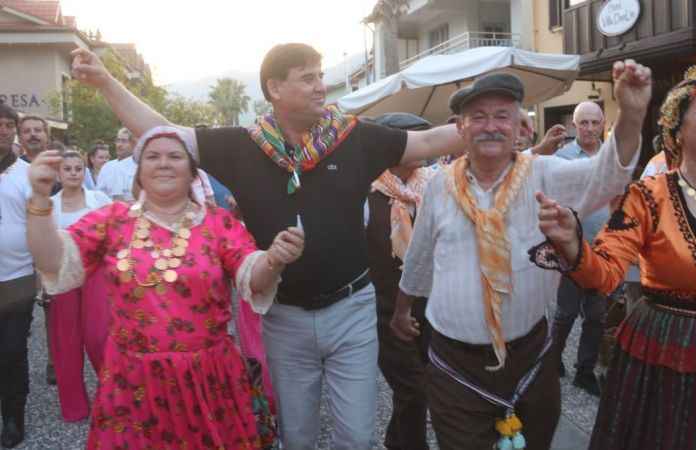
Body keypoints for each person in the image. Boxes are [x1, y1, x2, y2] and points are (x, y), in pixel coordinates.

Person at [70, 42, 465, 450]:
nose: (320, 86)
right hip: (285, 317)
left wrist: (488, 125)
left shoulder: (354, 137)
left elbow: (429, 142)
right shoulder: (243, 146)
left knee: (357, 436)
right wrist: (105, 80)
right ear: (275, 88)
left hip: (353, 311)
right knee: (296, 437)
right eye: (308, 77)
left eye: (320, 75)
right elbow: (161, 130)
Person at [535, 62, 696, 450]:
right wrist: (573, 244)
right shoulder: (647, 196)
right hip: (667, 355)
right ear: (677, 127)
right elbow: (604, 273)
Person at [392, 62, 651, 450]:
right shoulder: (438, 187)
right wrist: (400, 310)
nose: (490, 125)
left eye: (502, 116)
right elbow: (419, 257)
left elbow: (609, 175)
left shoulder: (546, 174)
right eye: (477, 117)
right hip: (455, 363)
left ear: (520, 128)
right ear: (460, 128)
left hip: (530, 355)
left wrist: (630, 115)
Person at [26, 126, 304, 449]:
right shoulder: (113, 219)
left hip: (207, 378)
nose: (163, 163)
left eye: (175, 156)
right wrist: (39, 199)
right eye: (152, 157)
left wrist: (273, 260)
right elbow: (52, 261)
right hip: (131, 380)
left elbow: (251, 276)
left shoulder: (218, 222)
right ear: (139, 172)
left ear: (192, 173)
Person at [366, 112, 436, 450]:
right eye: (415, 138)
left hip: (427, 308)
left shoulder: (429, 187)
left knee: (421, 386)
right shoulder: (368, 195)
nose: (426, 143)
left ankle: (396, 442)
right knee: (414, 387)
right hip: (383, 312)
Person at [47, 150, 112, 422]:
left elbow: (116, 233)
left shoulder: (99, 200)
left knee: (99, 338)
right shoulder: (48, 206)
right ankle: (74, 408)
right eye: (68, 169)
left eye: (78, 168)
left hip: (97, 275)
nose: (73, 173)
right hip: (63, 277)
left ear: (84, 171)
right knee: (66, 344)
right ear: (59, 174)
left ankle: (112, 396)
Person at [551, 101, 610, 395]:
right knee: (565, 313)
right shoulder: (561, 158)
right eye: (583, 123)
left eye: (594, 123)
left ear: (603, 125)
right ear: (575, 126)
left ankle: (584, 370)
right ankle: (551, 359)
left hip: (604, 250)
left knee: (597, 315)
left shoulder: (612, 158)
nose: (588, 128)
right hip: (570, 250)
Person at [0, 103, 36, 449]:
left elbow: (41, 225)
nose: (4, 129)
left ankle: (13, 417)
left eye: (9, 124)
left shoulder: (28, 174)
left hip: (19, 277)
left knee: (12, 349)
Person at [96, 128, 137, 201]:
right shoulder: (107, 166)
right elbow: (98, 195)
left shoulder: (140, 166)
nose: (119, 145)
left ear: (133, 144)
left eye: (124, 141)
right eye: (118, 140)